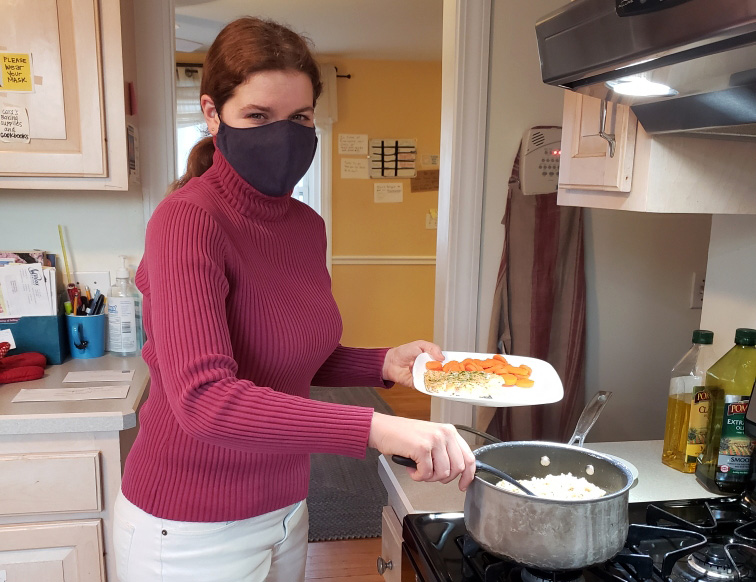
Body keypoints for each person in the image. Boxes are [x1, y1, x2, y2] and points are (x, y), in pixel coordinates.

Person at [112, 16, 476, 582]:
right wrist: (375, 428)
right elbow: (205, 399)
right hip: (188, 527)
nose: (281, 134)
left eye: (300, 118)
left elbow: (281, 353)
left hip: (285, 507)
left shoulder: (305, 225)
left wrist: (381, 362)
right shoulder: (187, 220)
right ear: (213, 114)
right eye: (258, 115)